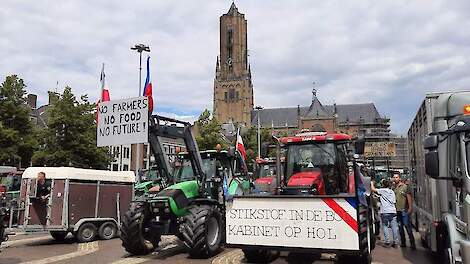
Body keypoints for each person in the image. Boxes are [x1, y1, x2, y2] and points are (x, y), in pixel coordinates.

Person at [371, 179, 399, 247]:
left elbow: (373, 189)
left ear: (383, 185)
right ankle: (395, 242)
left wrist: (371, 183)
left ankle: (387, 241)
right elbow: (394, 202)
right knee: (394, 227)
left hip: (385, 211)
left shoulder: (383, 190)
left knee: (385, 226)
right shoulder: (392, 191)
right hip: (393, 211)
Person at [392, 173, 416, 249]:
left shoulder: (405, 187)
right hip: (397, 211)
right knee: (400, 227)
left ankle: (412, 243)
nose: (395, 178)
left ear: (399, 178)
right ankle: (403, 243)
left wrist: (410, 208)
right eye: (394, 177)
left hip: (404, 210)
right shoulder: (394, 188)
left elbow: (409, 197)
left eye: (396, 177)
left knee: (407, 226)